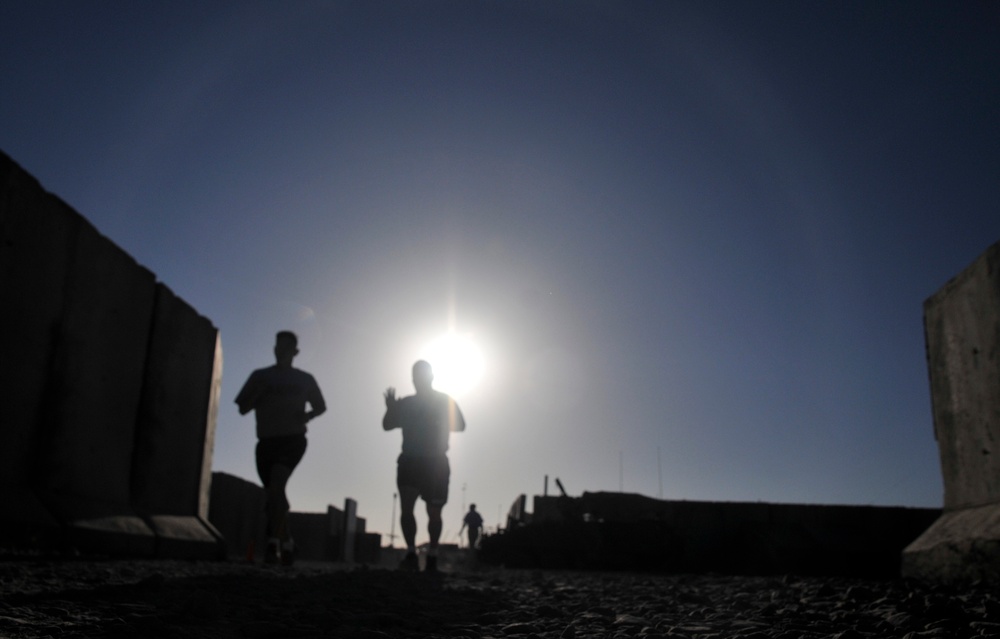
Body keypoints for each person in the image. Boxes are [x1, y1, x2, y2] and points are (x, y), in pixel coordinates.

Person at [235, 331, 326, 566]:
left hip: (293, 440)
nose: (281, 350)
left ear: (295, 352)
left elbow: (321, 406)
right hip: (266, 442)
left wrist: (307, 416)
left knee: (277, 484)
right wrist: (259, 393)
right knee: (275, 497)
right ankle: (289, 544)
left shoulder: (305, 379)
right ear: (274, 349)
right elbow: (242, 408)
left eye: (287, 347)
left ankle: (272, 546)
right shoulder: (259, 376)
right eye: (278, 346)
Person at [383, 360, 466, 572]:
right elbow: (387, 425)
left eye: (423, 375)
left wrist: (437, 421)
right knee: (407, 508)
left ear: (431, 377)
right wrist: (391, 409)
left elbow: (461, 425)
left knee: (434, 512)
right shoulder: (405, 403)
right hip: (410, 461)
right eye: (416, 375)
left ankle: (432, 554)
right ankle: (411, 553)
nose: (419, 379)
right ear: (412, 379)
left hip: (435, 462)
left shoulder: (443, 401)